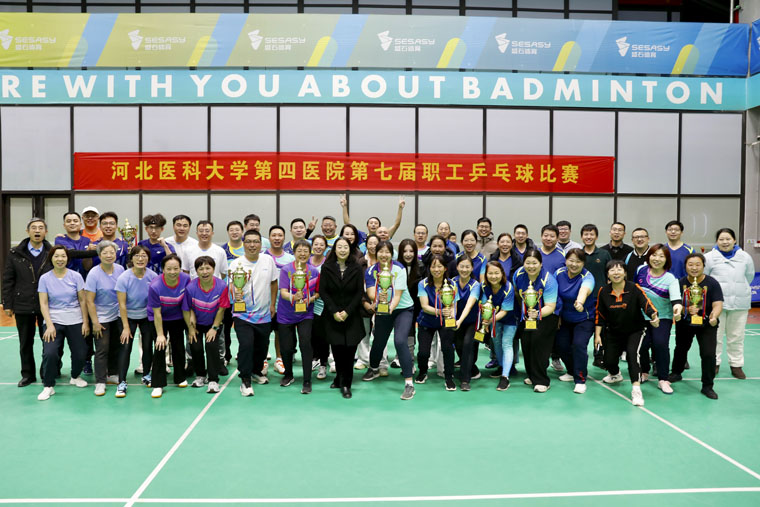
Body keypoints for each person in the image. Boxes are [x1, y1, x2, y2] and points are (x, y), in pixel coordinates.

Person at [595, 259, 658, 407]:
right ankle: (615, 374)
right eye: (612, 270)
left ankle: (636, 390)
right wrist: (597, 335)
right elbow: (600, 315)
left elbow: (646, 304)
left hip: (635, 330)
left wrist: (654, 315)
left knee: (632, 355)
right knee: (609, 361)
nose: (616, 273)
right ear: (607, 275)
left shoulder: (634, 288)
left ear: (625, 273)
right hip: (613, 331)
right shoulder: (603, 291)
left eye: (619, 269)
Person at [3, 217, 53, 387]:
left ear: (46, 232)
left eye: (41, 228)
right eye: (34, 228)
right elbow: (8, 279)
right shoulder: (15, 253)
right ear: (27, 231)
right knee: (25, 342)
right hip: (23, 304)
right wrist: (7, 303)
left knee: (49, 342)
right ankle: (27, 374)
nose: (37, 230)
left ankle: (47, 372)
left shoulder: (52, 252)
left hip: (47, 305)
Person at [364, 240, 416, 400]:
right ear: (376, 253)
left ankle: (409, 383)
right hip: (383, 308)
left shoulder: (399, 268)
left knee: (400, 341)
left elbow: (398, 295)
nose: (384, 255)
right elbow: (371, 293)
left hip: (403, 309)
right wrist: (379, 301)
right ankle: (373, 368)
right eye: (381, 251)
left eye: (387, 252)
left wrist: (389, 309)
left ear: (392, 254)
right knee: (379, 341)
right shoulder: (371, 270)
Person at [36, 245, 90, 400]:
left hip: (75, 320)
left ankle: (75, 376)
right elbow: (43, 304)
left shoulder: (76, 276)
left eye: (63, 256)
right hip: (54, 321)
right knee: (50, 353)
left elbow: (82, 300)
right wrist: (49, 325)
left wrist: (85, 322)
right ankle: (48, 386)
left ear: (67, 258)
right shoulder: (45, 278)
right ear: (51, 258)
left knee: (81, 353)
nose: (60, 259)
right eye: (56, 256)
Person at [229, 230, 278, 396]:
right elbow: (231, 286)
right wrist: (234, 294)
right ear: (243, 244)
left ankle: (256, 371)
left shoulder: (268, 260)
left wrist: (272, 304)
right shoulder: (236, 264)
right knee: (246, 344)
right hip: (242, 314)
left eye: (255, 241)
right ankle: (245, 379)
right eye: (248, 241)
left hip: (264, 313)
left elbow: (274, 283)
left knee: (262, 347)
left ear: (260, 244)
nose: (252, 245)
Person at [669, 252, 723, 399]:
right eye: (690, 265)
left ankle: (707, 386)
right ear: (685, 266)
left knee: (708, 353)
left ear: (703, 266)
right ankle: (676, 372)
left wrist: (714, 316)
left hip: (707, 323)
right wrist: (686, 309)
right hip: (685, 322)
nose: (694, 268)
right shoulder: (680, 283)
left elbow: (718, 303)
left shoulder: (712, 283)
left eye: (698, 264)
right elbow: (675, 303)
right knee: (681, 348)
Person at [704, 227, 755, 379]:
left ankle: (736, 365)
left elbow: (749, 276)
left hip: (740, 303)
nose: (725, 242)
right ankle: (714, 363)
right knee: (715, 336)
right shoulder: (709, 257)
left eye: (728, 239)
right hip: (716, 305)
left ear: (734, 240)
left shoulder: (745, 257)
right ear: (716, 241)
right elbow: (705, 278)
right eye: (721, 239)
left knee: (737, 336)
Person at [319, 237, 365, 399]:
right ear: (334, 249)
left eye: (346, 247)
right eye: (339, 247)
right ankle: (339, 377)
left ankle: (346, 384)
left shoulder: (357, 267)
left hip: (352, 316)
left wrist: (347, 311)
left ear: (350, 249)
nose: (343, 250)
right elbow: (323, 291)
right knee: (337, 350)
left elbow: (359, 292)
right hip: (332, 316)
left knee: (349, 351)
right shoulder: (327, 267)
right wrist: (334, 312)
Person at [634, 244, 683, 394]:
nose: (657, 259)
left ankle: (663, 379)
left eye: (661, 256)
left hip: (663, 317)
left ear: (666, 260)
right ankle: (644, 371)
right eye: (654, 255)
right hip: (641, 316)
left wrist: (677, 309)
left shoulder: (670, 279)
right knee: (642, 346)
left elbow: (676, 299)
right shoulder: (641, 271)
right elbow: (634, 290)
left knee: (660, 344)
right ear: (649, 257)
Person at [512, 249, 559, 393]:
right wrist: (527, 312)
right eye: (528, 263)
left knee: (539, 343)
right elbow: (517, 293)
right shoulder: (518, 274)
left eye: (534, 263)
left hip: (547, 315)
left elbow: (551, 306)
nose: (531, 266)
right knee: (526, 342)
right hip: (528, 315)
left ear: (541, 264)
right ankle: (532, 375)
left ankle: (542, 381)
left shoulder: (549, 279)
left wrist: (537, 313)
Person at [277, 240, 320, 393]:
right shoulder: (286, 270)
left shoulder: (314, 272)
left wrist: (310, 299)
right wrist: (294, 297)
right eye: (299, 251)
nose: (302, 254)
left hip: (305, 314)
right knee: (286, 347)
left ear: (310, 253)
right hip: (286, 314)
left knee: (305, 343)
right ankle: (288, 375)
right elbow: (283, 292)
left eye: (305, 251)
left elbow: (317, 293)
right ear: (294, 253)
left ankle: (307, 379)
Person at [182, 256, 230, 394]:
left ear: (213, 269)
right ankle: (201, 375)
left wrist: (214, 328)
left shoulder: (221, 286)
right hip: (196, 324)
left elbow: (221, 309)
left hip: (213, 322)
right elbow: (186, 309)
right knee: (195, 347)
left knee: (211, 346)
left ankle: (213, 380)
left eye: (208, 268)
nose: (204, 272)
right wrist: (191, 329)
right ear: (196, 271)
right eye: (201, 269)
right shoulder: (191, 287)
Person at [85, 240, 126, 396]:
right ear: (99, 255)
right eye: (105, 253)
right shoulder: (93, 274)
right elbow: (89, 301)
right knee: (102, 349)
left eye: (112, 252)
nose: (109, 255)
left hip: (117, 315)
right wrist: (95, 322)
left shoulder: (120, 269)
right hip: (101, 316)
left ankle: (113, 374)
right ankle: (100, 381)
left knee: (116, 346)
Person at [147, 254, 190, 398]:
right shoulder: (155, 286)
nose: (173, 272)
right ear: (163, 269)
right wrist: (160, 335)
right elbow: (157, 313)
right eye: (169, 269)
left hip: (177, 316)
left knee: (178, 346)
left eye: (176, 268)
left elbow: (186, 303)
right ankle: (158, 384)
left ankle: (180, 377)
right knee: (160, 347)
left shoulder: (185, 279)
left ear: (180, 269)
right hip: (159, 317)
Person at [116, 245, 158, 389]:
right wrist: (126, 327)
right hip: (127, 317)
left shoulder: (153, 276)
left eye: (144, 256)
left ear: (148, 259)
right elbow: (122, 305)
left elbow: (155, 301)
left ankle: (146, 375)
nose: (140, 259)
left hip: (146, 316)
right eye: (137, 256)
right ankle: (122, 381)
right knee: (125, 347)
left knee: (147, 346)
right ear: (131, 259)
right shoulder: (124, 278)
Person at [554, 249, 595, 394]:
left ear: (583, 263)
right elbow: (554, 293)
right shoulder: (559, 273)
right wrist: (557, 315)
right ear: (566, 261)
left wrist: (580, 302)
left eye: (578, 261)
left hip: (584, 318)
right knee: (561, 345)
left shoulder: (587, 276)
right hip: (565, 318)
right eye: (571, 260)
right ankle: (571, 371)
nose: (574, 264)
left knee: (578, 345)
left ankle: (580, 380)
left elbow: (585, 289)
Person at [415, 255, 458, 391]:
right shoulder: (423, 284)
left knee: (447, 349)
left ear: (445, 268)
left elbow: (453, 306)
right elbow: (424, 306)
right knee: (423, 352)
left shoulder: (452, 284)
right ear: (429, 268)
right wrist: (440, 312)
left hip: (445, 321)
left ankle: (449, 377)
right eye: (433, 266)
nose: (436, 269)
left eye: (440, 266)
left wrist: (451, 316)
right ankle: (422, 372)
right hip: (426, 321)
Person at [264, 225, 296, 376]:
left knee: (280, 332)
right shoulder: (263, 257)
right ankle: (263, 360)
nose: (277, 238)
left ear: (284, 238)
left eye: (280, 235)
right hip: (265, 303)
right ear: (269, 238)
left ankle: (279, 359)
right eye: (274, 235)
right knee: (264, 332)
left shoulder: (290, 258)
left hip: (284, 303)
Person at [480, 261, 516, 391]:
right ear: (486, 274)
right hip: (494, 319)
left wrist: (490, 321)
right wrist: (485, 320)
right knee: (496, 342)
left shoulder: (508, 287)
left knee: (506, 343)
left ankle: (505, 377)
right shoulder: (484, 286)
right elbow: (485, 306)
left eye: (496, 273)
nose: (493, 276)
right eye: (490, 273)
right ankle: (502, 367)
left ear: (502, 274)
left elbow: (505, 311)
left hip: (510, 318)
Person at [580, 224, 612, 369]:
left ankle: (599, 357)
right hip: (583, 300)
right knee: (583, 329)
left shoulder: (604, 254)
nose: (588, 237)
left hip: (601, 299)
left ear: (596, 236)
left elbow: (610, 275)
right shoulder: (578, 254)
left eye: (591, 234)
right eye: (586, 234)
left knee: (602, 329)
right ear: (581, 237)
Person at [451, 256, 481, 389]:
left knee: (468, 344)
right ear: (457, 267)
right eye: (462, 266)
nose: (464, 269)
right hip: (457, 320)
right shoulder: (452, 282)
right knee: (459, 346)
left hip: (472, 321)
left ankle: (465, 380)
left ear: (472, 268)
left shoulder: (475, 285)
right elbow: (451, 303)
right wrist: (454, 319)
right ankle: (472, 369)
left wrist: (459, 320)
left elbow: (469, 305)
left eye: (467, 267)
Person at [394, 239, 423, 371]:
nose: (408, 254)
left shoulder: (422, 267)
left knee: (412, 334)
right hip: (400, 306)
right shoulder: (395, 267)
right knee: (402, 333)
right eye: (405, 251)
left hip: (419, 306)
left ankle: (410, 361)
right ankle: (403, 359)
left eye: (411, 251)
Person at [220, 220, 245, 366]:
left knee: (244, 329)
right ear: (228, 232)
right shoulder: (222, 251)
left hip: (245, 298)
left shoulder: (248, 249)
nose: (234, 232)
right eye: (231, 230)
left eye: (237, 229)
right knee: (226, 330)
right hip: (227, 298)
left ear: (242, 231)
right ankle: (226, 355)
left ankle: (243, 355)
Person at [340, 194, 405, 244]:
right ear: (367, 226)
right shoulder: (361, 236)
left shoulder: (383, 236)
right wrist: (344, 207)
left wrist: (400, 208)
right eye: (371, 223)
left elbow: (396, 225)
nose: (373, 225)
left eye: (376, 223)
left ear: (379, 226)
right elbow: (347, 224)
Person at [308, 235, 329, 379]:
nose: (318, 247)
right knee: (309, 336)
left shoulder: (328, 264)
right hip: (305, 305)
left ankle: (323, 364)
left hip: (322, 306)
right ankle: (313, 359)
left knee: (322, 337)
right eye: (316, 244)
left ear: (326, 247)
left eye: (321, 245)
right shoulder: (306, 262)